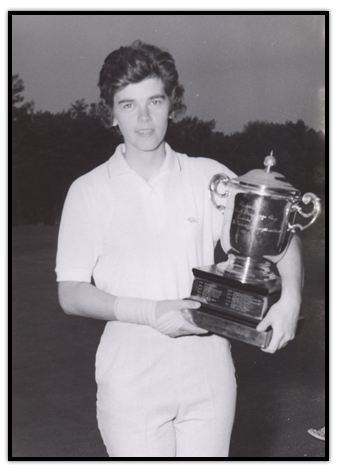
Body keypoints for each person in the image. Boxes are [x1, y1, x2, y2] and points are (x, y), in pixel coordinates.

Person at [55, 40, 303, 458]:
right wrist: (152, 312)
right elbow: (71, 292)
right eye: (128, 105)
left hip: (208, 374)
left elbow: (279, 233)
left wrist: (292, 299)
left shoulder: (210, 177)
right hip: (129, 378)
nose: (145, 118)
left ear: (172, 104)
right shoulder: (88, 191)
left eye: (154, 100)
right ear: (110, 114)